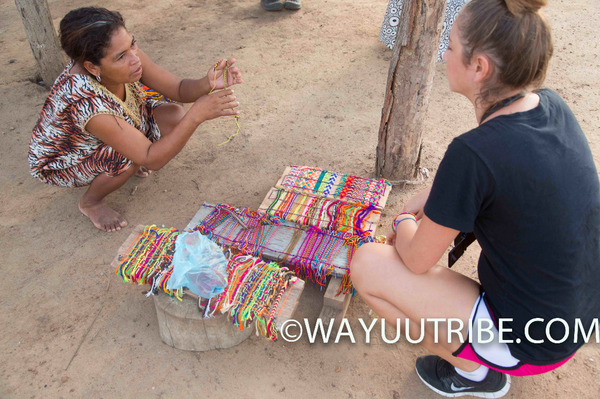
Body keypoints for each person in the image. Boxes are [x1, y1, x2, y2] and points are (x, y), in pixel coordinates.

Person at [351, 0, 600, 397]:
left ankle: (475, 372)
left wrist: (402, 221)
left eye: (449, 47)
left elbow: (416, 259)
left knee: (367, 265)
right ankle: (482, 358)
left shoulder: (473, 153)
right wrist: (434, 192)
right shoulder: (552, 106)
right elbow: (499, 169)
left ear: (479, 67)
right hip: (577, 319)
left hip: (533, 343)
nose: (444, 55)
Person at [28, 7, 242, 232]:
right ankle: (91, 202)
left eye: (132, 44)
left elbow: (178, 89)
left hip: (115, 124)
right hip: (66, 160)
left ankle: (130, 150)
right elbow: (152, 159)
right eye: (121, 56)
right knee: (128, 158)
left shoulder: (128, 55)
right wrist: (196, 115)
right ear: (92, 67)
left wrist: (207, 83)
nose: (134, 58)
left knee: (174, 116)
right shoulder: (86, 102)